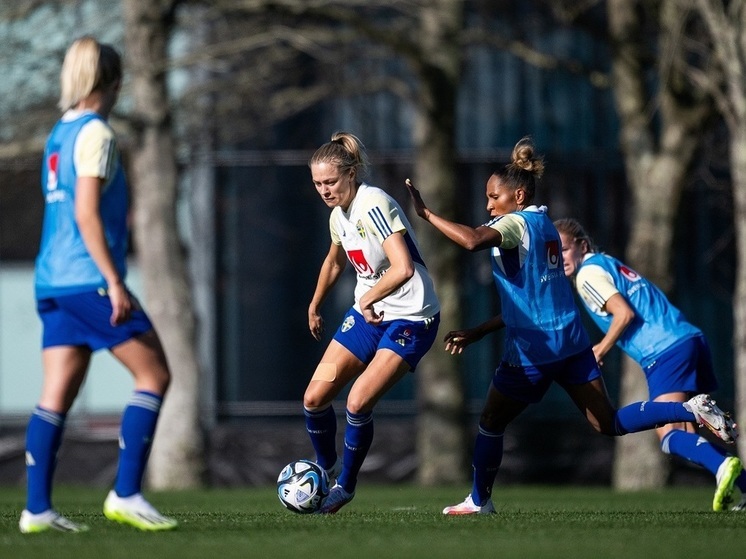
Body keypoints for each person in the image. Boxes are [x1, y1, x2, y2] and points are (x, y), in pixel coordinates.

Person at [404, 136, 738, 515]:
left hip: (536, 350)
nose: (488, 205)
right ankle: (691, 410)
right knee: (608, 422)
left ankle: (480, 500)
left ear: (518, 196)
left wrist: (426, 214)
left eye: (494, 197)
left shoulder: (515, 224)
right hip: (572, 344)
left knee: (491, 421)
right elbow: (532, 300)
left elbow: (470, 240)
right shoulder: (545, 225)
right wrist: (479, 331)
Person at [20, 37, 178, 533]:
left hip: (52, 282)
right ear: (112, 82)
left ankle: (37, 510)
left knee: (55, 396)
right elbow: (86, 212)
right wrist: (114, 281)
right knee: (154, 375)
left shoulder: (59, 133)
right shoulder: (96, 133)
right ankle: (126, 493)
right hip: (88, 279)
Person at [554, 217, 745, 512]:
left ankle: (722, 466)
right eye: (553, 252)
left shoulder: (587, 275)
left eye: (564, 249)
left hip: (665, 351)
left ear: (581, 245)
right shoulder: (606, 263)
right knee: (687, 435)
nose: (559, 257)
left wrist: (601, 348)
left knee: (668, 435)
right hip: (688, 338)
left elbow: (624, 314)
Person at [303, 132, 441, 514]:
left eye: (330, 181)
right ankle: (325, 468)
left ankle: (345, 486)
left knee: (358, 401)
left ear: (350, 174)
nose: (324, 190)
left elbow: (403, 267)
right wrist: (315, 304)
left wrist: (366, 299)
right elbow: (334, 262)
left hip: (412, 317)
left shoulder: (373, 202)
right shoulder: (339, 215)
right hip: (369, 316)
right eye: (317, 183)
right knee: (313, 398)